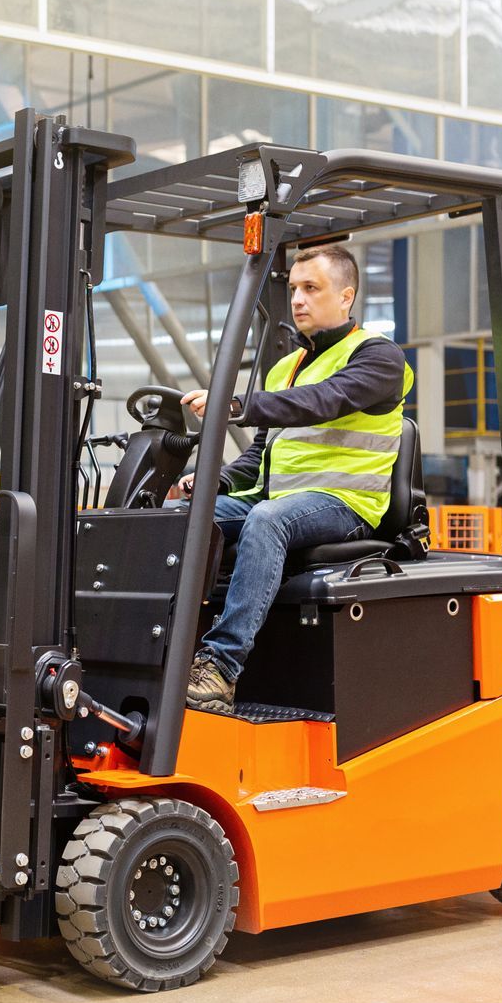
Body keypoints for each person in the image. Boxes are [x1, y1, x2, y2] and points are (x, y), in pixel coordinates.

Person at [177, 244, 412, 715]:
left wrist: (238, 405)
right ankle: (164, 647)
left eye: (312, 288)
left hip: (345, 506)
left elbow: (326, 399)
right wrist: (210, 484)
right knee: (179, 517)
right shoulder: (286, 368)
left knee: (267, 519)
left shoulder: (379, 358)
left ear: (346, 296)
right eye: (293, 289)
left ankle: (221, 668)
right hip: (284, 500)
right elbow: (262, 454)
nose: (298, 299)